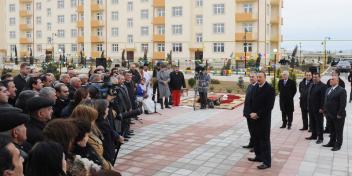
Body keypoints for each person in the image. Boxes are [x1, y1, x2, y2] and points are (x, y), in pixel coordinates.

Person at [248, 71, 275, 170]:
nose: (258, 78)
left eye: (260, 77)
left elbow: (269, 106)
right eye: (257, 77)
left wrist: (258, 114)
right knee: (256, 138)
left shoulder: (270, 89)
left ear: (265, 77)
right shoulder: (255, 87)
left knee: (264, 140)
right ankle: (258, 156)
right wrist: (250, 112)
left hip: (263, 120)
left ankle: (267, 162)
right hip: (254, 118)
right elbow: (251, 101)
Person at [323, 76, 347, 151]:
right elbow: (326, 101)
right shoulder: (328, 89)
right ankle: (331, 142)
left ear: (337, 81)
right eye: (330, 79)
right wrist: (325, 111)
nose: (331, 80)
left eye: (332, 79)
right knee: (332, 130)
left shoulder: (341, 90)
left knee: (338, 131)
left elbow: (343, 104)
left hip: (337, 115)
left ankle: (338, 145)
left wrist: (339, 114)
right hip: (329, 114)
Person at [306, 73, 327, 144]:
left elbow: (324, 98)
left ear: (319, 77)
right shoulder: (312, 84)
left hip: (318, 109)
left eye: (316, 77)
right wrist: (308, 106)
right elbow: (309, 96)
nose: (314, 78)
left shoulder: (323, 86)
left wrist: (322, 108)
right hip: (311, 108)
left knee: (319, 123)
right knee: (312, 123)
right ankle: (314, 135)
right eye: (314, 77)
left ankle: (320, 138)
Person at [325, 69, 345, 133]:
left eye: (334, 73)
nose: (332, 74)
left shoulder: (341, 82)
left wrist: (339, 112)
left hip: (336, 107)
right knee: (329, 121)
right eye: (332, 73)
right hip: (329, 107)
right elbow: (327, 91)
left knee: (337, 127)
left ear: (338, 74)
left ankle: (335, 137)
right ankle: (328, 129)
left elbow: (342, 101)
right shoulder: (329, 81)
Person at [242, 72, 257, 150]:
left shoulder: (258, 87)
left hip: (253, 114)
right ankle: (251, 144)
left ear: (256, 77)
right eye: (250, 77)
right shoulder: (250, 86)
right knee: (251, 129)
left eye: (253, 77)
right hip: (248, 112)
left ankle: (256, 146)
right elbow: (247, 100)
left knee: (255, 131)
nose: (251, 78)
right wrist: (245, 112)